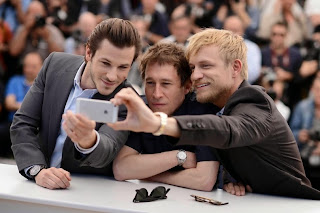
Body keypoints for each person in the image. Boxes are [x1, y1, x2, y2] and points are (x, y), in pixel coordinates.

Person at [108, 28, 320, 199]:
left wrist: (159, 125)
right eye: (192, 68)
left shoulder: (255, 101)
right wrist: (229, 177)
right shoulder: (214, 104)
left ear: (235, 67)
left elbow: (227, 129)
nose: (196, 75)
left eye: (206, 66)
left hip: (294, 206)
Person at [10, 18, 141, 190]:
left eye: (123, 67)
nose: (112, 76)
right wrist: (37, 171)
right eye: (105, 63)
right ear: (88, 52)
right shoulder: (54, 65)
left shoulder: (127, 99)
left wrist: (89, 140)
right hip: (36, 187)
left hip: (84, 196)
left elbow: (108, 149)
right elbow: (22, 123)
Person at [113, 42, 220, 192]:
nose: (156, 94)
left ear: (187, 87)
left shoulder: (205, 113)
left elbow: (204, 180)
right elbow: (121, 169)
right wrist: (178, 157)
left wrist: (149, 175)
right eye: (150, 83)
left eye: (166, 84)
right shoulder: (141, 108)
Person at [5, 52, 42, 122]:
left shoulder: (44, 85)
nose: (29, 70)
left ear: (42, 67)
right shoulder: (15, 81)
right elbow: (9, 104)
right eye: (26, 66)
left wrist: (18, 105)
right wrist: (30, 107)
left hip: (36, 124)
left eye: (33, 67)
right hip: (13, 122)